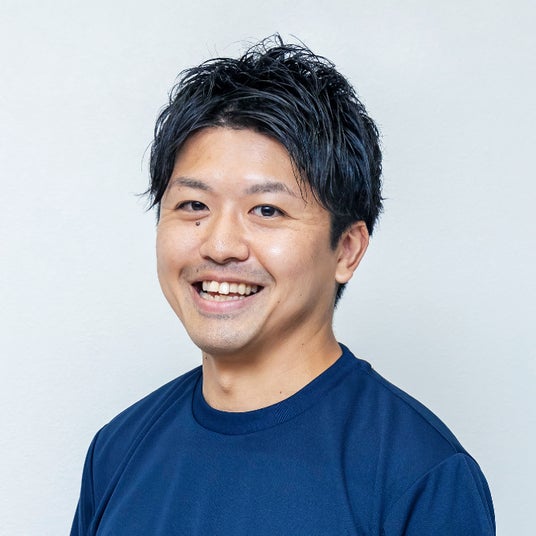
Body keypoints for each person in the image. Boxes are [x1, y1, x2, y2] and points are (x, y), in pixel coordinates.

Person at [71, 36, 495, 535]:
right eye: (194, 206)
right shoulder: (116, 450)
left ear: (347, 250)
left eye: (267, 210)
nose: (220, 245)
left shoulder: (420, 476)